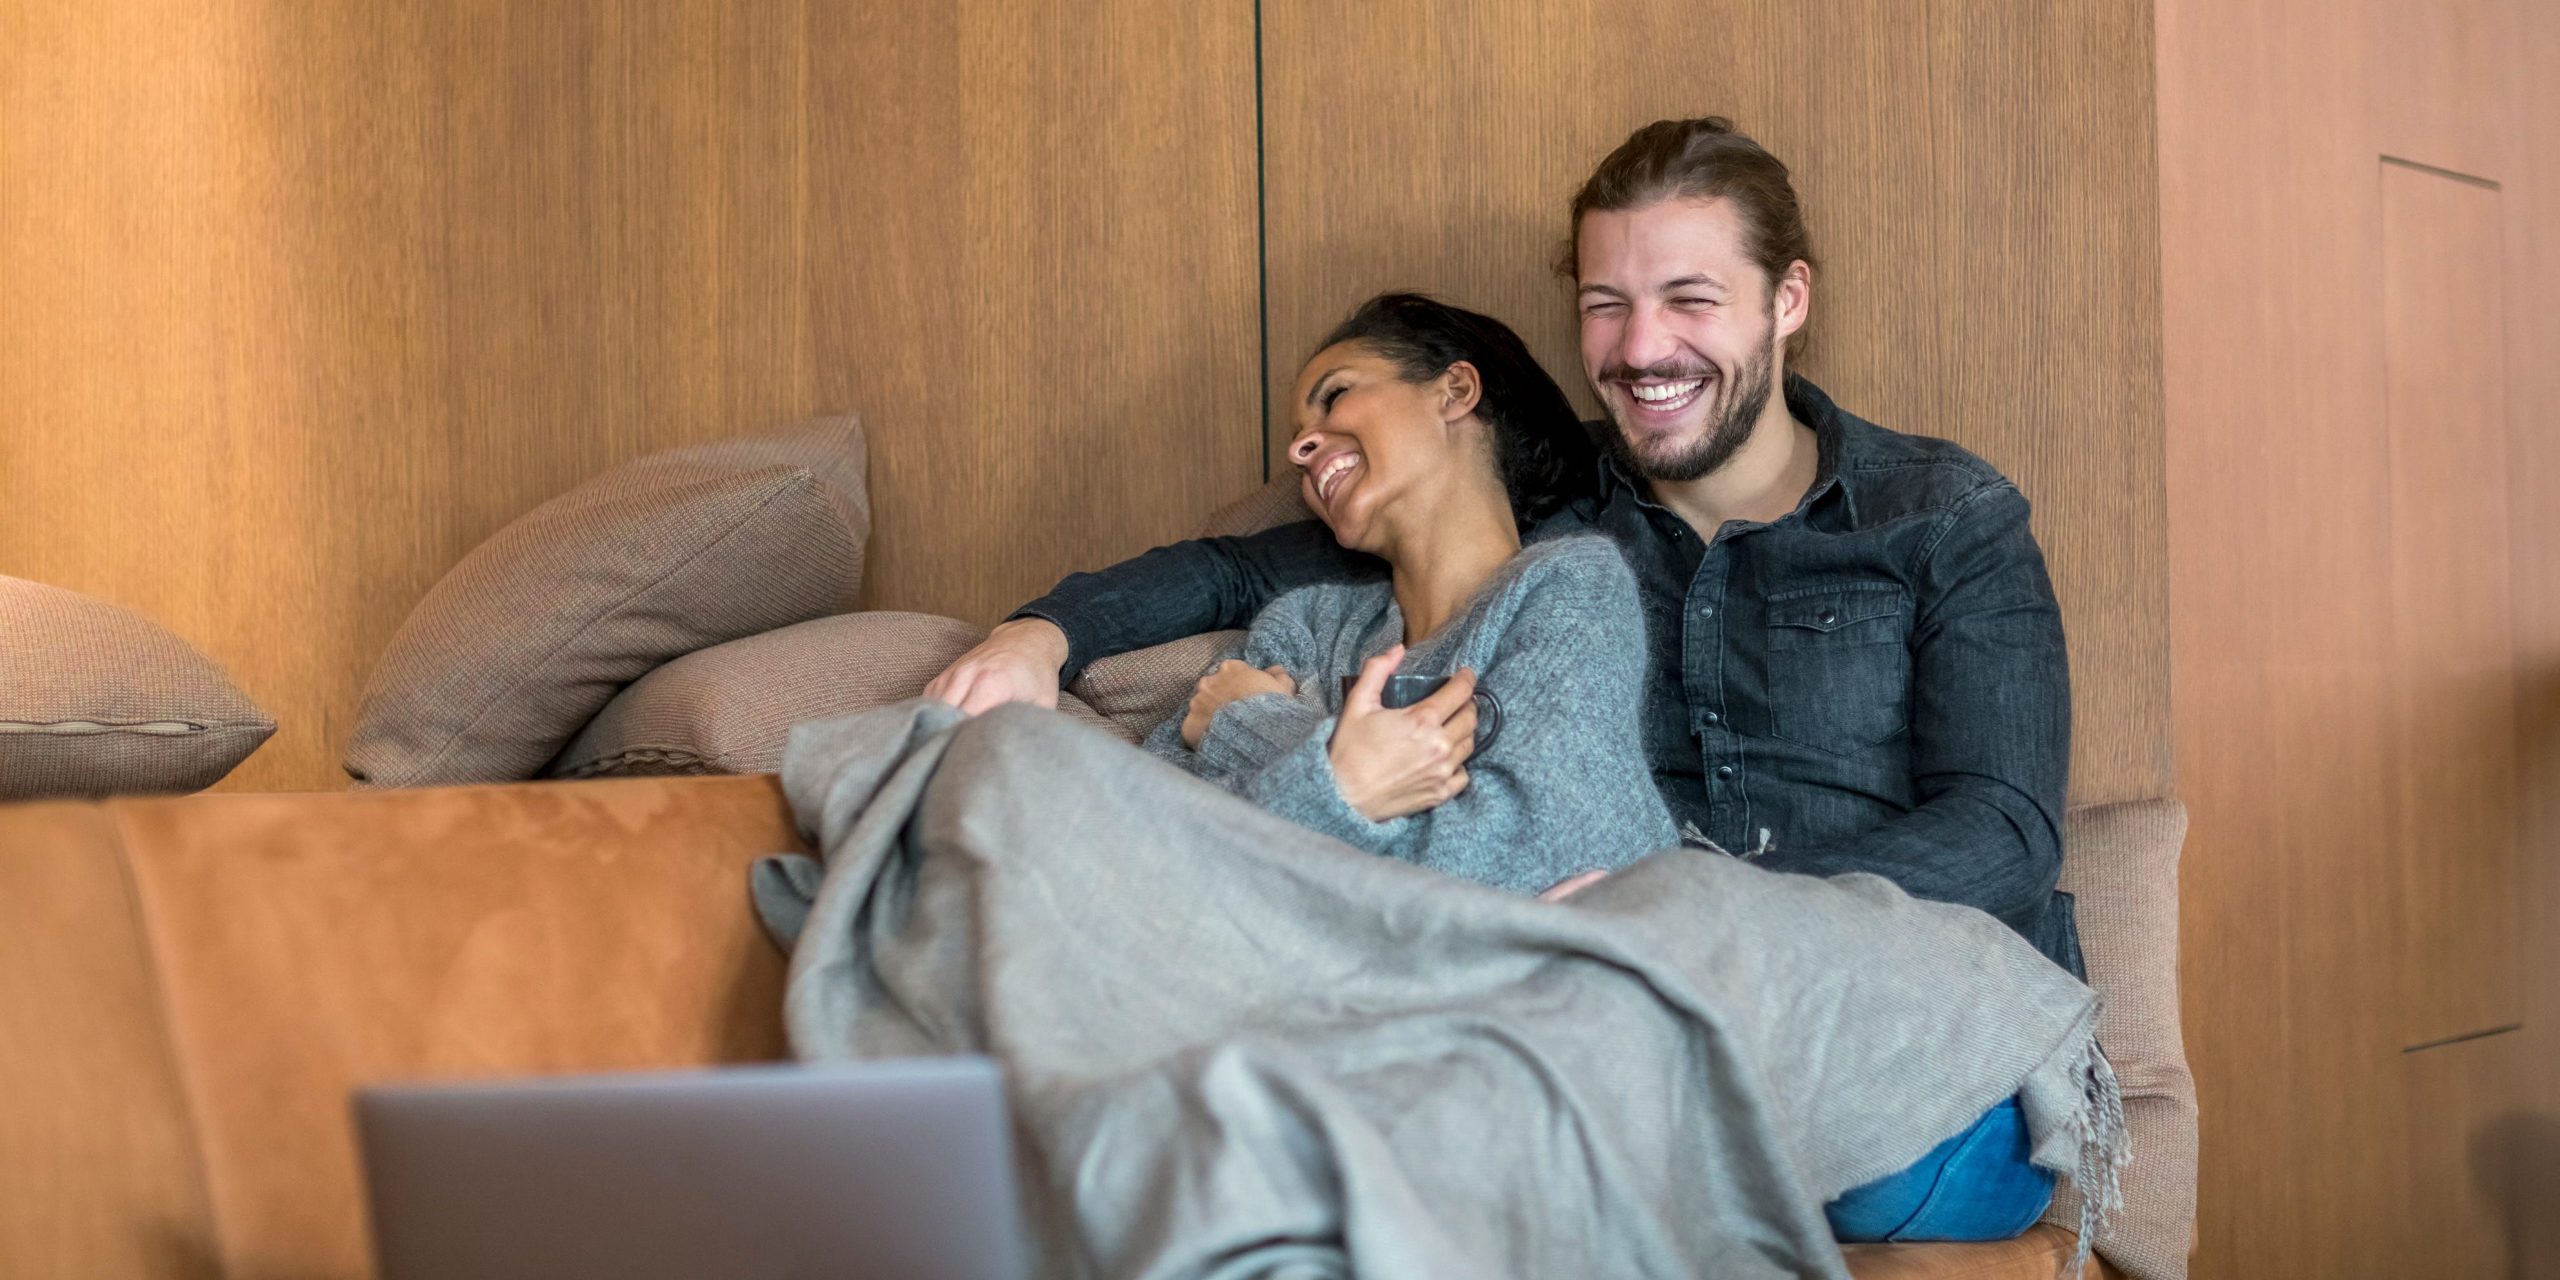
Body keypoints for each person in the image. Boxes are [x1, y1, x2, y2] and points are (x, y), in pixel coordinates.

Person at [926, 116, 2073, 1243]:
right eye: (1604, 306)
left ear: (1788, 302)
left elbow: (2006, 830)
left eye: (1690, 299)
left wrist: (1688, 914)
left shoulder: (1940, 517)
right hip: (1615, 1031)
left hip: (1895, 1039)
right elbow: (1234, 566)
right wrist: (1044, 633)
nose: (1639, 349)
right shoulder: (1549, 507)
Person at [1139, 292, 1676, 895]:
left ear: (1455, 391)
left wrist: (1254, 725)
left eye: (1335, 396)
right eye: (1298, 437)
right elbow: (1159, 844)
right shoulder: (1308, 627)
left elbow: (1537, 859)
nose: (1298, 450)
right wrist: (1357, 791)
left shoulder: (1570, 587)